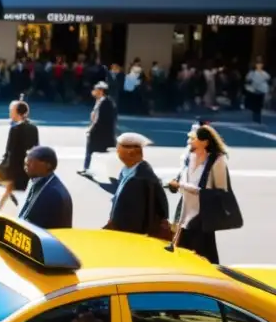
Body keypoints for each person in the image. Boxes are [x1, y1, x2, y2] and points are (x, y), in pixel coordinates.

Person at [169, 125, 231, 264]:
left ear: (205, 142)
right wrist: (176, 184)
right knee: (181, 254)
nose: (190, 142)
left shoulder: (216, 162)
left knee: (203, 254)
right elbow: (182, 178)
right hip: (186, 212)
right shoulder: (190, 158)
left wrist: (183, 186)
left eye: (193, 139)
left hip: (202, 215)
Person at [104, 132, 170, 237]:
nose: (117, 151)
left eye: (119, 148)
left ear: (131, 152)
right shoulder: (126, 171)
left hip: (132, 234)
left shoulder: (141, 179)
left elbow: (136, 216)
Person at [0, 98, 39, 213]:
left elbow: (10, 152)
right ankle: (1, 211)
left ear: (17, 113)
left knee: (9, 191)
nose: (10, 113)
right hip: (29, 168)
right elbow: (36, 148)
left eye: (11, 111)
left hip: (15, 169)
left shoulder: (15, 129)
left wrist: (3, 168)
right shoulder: (33, 128)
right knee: (23, 193)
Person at [17, 146, 72, 229]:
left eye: (32, 160)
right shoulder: (40, 182)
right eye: (27, 160)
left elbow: (35, 225)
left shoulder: (53, 193)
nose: (27, 163)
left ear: (48, 165)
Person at [79, 81, 116, 176]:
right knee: (91, 149)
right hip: (98, 129)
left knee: (92, 149)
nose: (93, 91)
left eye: (96, 89)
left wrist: (91, 129)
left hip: (99, 130)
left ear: (101, 91)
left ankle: (87, 168)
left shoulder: (105, 102)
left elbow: (101, 118)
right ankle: (86, 168)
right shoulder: (101, 100)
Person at [244, 58, 270, 125]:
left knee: (258, 106)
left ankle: (257, 118)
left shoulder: (264, 74)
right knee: (255, 106)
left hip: (261, 91)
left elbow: (268, 80)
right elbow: (248, 80)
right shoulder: (252, 73)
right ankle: (255, 118)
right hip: (255, 91)